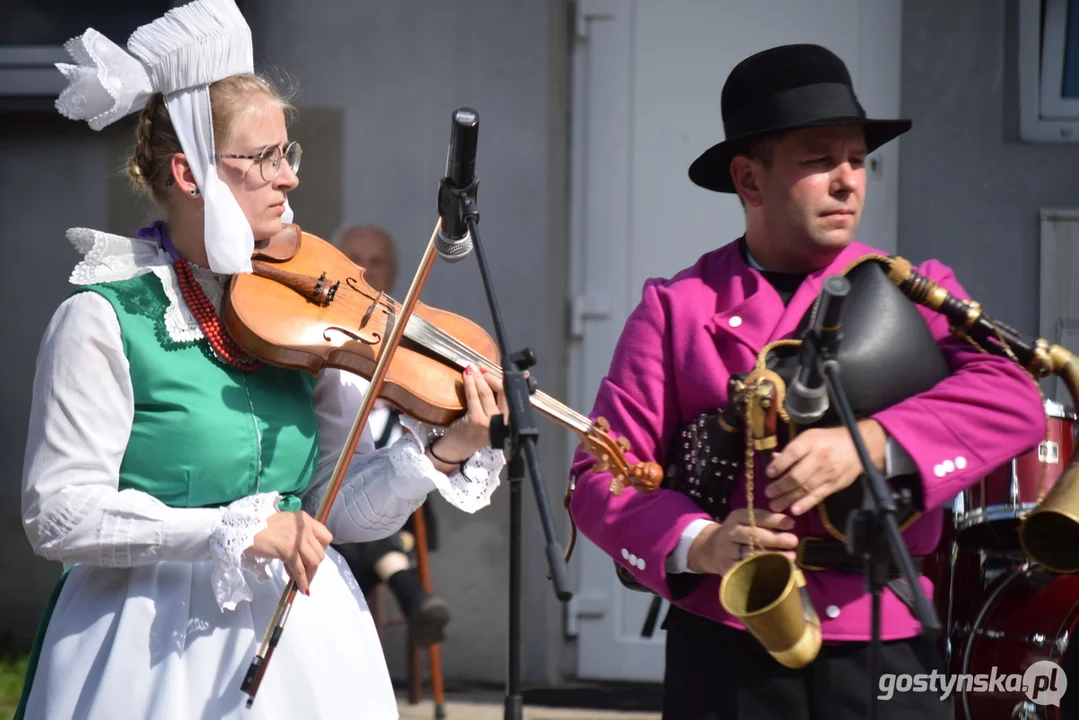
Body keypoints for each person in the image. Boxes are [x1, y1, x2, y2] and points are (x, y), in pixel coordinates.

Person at [15, 2, 507, 719]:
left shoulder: (306, 323)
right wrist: (228, 531)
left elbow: (333, 508)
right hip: (147, 643)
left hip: (306, 642)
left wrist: (438, 454)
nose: (289, 179)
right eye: (265, 158)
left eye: (289, 154)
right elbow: (57, 516)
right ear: (189, 173)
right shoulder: (101, 320)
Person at [566, 44, 1046, 720]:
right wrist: (700, 542)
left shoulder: (913, 288)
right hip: (727, 639)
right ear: (749, 180)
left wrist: (872, 442)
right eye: (819, 160)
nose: (847, 180)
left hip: (885, 630)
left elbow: (1013, 398)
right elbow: (598, 477)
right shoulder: (677, 308)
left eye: (856, 159)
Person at [332, 223, 452, 648]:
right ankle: (410, 592)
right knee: (341, 509)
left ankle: (347, 656)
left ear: (396, 273)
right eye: (354, 260)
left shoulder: (412, 341)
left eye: (376, 262)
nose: (365, 271)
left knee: (367, 508)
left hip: (403, 509)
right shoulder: (315, 332)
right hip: (327, 491)